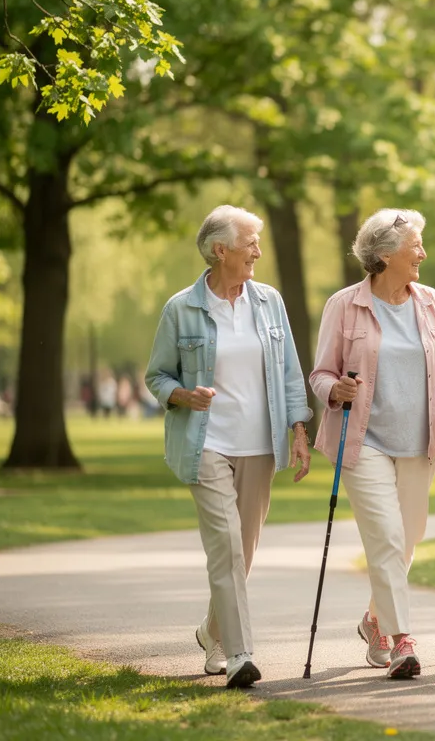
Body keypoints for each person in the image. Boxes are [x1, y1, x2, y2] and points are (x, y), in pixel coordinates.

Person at [144, 205, 313, 689]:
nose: (258, 250)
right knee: (226, 548)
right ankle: (240, 654)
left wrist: (299, 430)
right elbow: (157, 375)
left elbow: (287, 373)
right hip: (207, 442)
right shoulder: (182, 308)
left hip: (259, 444)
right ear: (221, 250)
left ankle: (210, 631)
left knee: (244, 550)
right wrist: (182, 395)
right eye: (250, 242)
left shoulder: (270, 302)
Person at [309, 209, 435, 679]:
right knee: (385, 537)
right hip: (363, 441)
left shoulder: (430, 302)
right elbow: (321, 373)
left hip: (420, 441)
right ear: (385, 255)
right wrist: (333, 390)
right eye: (416, 246)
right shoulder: (344, 305)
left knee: (407, 539)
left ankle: (374, 620)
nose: (422, 253)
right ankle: (403, 639)